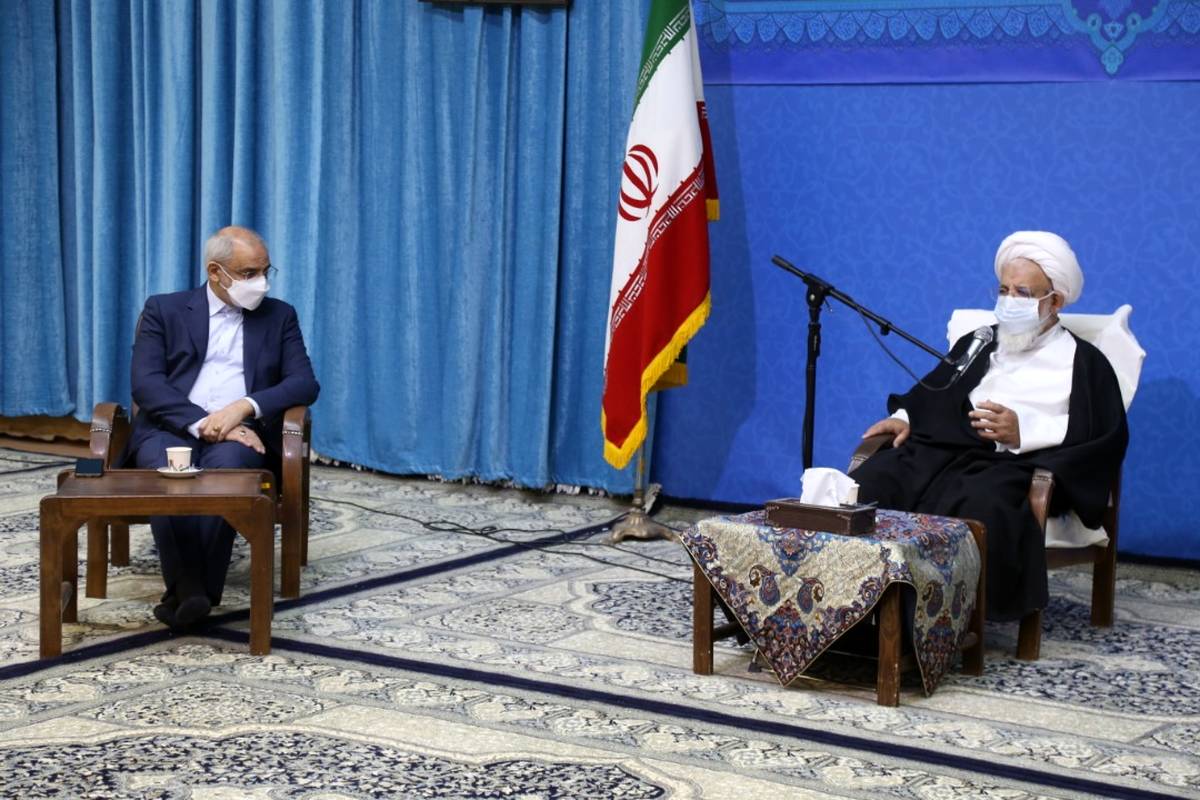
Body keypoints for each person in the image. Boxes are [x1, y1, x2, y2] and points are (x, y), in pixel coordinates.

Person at [849, 231, 1128, 621]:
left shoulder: (1084, 362)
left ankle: (943, 622)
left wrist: (1024, 431)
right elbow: (934, 392)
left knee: (980, 504)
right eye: (1003, 290)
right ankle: (856, 612)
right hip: (939, 451)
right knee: (871, 483)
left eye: (1023, 293)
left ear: (1055, 301)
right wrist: (903, 418)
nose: (1009, 301)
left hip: (1011, 467)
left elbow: (1102, 436)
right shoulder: (978, 341)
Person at [126, 226, 319, 630]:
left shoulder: (280, 316)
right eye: (249, 273)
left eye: (265, 271)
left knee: (229, 472)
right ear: (216, 272)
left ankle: (189, 593)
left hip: (244, 430)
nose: (261, 282)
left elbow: (304, 383)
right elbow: (146, 384)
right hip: (170, 426)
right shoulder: (164, 309)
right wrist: (205, 424)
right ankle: (195, 589)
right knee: (169, 473)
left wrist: (242, 408)